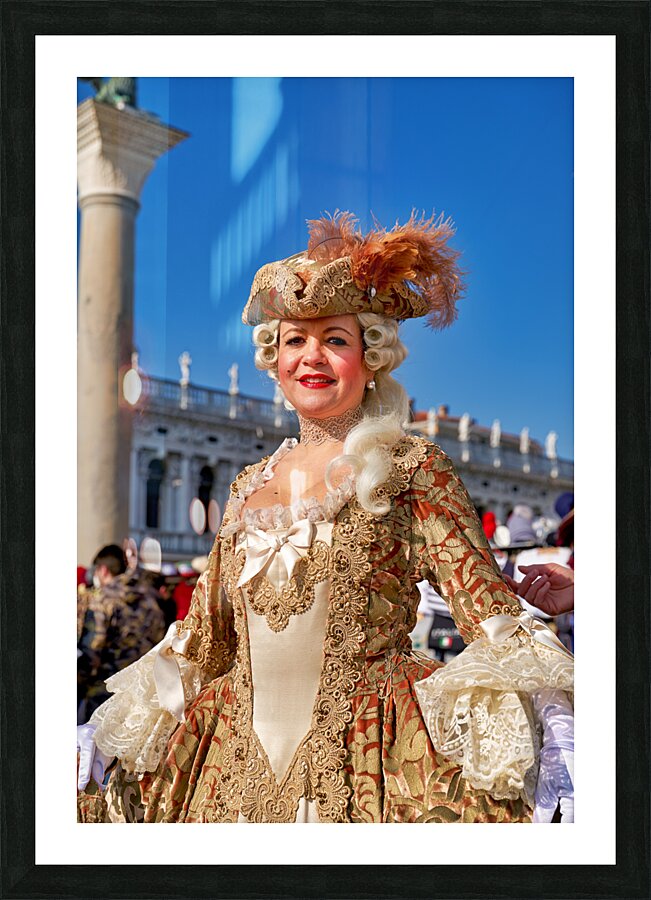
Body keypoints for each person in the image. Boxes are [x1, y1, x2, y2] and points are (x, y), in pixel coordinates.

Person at [77, 211, 573, 824]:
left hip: (370, 762)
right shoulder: (246, 486)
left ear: (371, 355)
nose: (311, 357)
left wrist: (557, 714)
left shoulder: (413, 469)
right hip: (229, 766)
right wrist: (115, 725)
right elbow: (203, 637)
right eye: (294, 341)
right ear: (273, 356)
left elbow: (488, 615)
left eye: (335, 340)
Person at [77, 544, 166, 723]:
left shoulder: (102, 600)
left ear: (103, 570)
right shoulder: (151, 598)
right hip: (142, 693)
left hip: (104, 693)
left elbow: (92, 651)